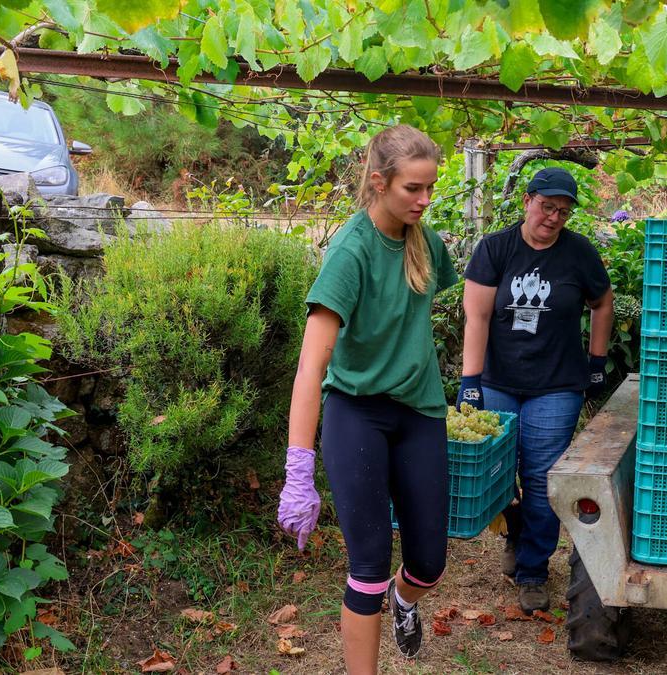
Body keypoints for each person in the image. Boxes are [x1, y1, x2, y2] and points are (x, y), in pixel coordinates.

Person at [277, 124, 459, 673]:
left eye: (431, 188)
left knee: (429, 563)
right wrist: (298, 467)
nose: (425, 200)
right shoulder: (351, 251)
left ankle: (406, 601)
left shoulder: (425, 241)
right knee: (369, 568)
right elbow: (311, 366)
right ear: (379, 182)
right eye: (413, 189)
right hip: (357, 413)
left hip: (420, 412)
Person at [459, 166, 614, 612]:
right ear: (527, 200)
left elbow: (602, 302)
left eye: (563, 211)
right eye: (547, 206)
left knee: (542, 479)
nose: (553, 217)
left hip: (557, 385)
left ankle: (533, 571)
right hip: (498, 381)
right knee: (496, 475)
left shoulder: (578, 253)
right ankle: (514, 528)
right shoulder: (495, 248)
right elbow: (478, 317)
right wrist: (470, 383)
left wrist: (597, 361)